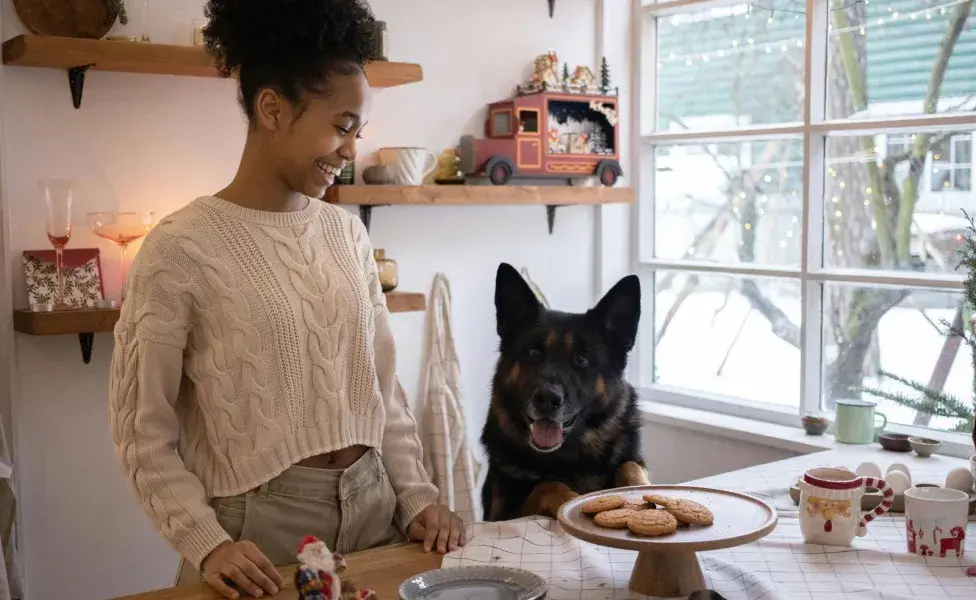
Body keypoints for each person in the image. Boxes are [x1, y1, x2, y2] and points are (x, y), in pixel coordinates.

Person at [108, 1, 465, 598]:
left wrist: (419, 497)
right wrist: (207, 542)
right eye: (341, 125)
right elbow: (142, 432)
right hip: (259, 531)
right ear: (273, 108)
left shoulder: (347, 233)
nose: (351, 149)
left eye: (360, 131)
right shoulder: (179, 249)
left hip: (377, 510)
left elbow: (383, 391)